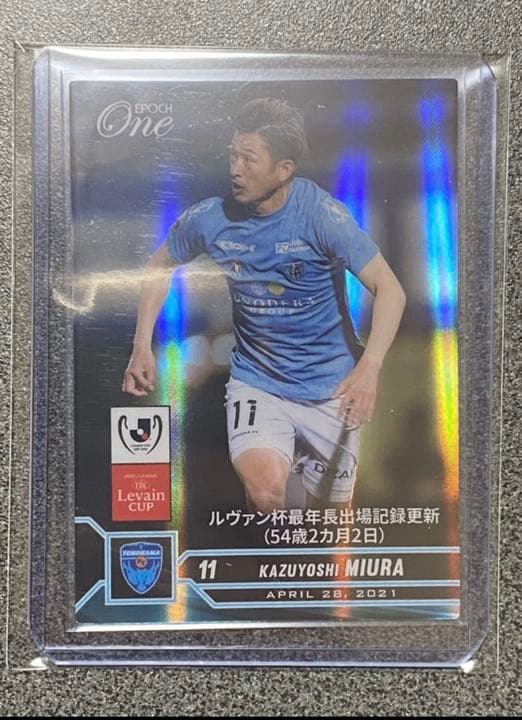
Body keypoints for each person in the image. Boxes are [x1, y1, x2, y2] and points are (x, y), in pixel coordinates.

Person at [123, 98, 406, 513]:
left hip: (332, 387)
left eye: (249, 159)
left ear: (283, 169)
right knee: (265, 495)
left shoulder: (321, 215)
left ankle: (305, 514)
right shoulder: (211, 218)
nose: (235, 170)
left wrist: (370, 368)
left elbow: (391, 289)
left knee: (329, 526)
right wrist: (141, 346)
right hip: (259, 381)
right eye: (232, 156)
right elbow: (159, 264)